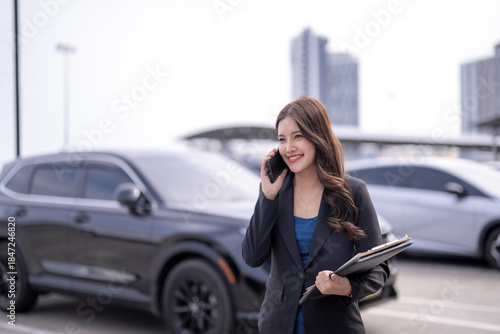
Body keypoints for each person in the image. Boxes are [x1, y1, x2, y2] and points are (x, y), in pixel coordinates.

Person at [242, 96, 390, 333]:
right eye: (282, 139)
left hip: (335, 324)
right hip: (278, 324)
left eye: (297, 136)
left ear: (317, 136)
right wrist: (267, 198)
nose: (289, 147)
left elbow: (380, 268)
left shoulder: (353, 192)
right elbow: (252, 256)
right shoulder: (274, 192)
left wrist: (346, 287)